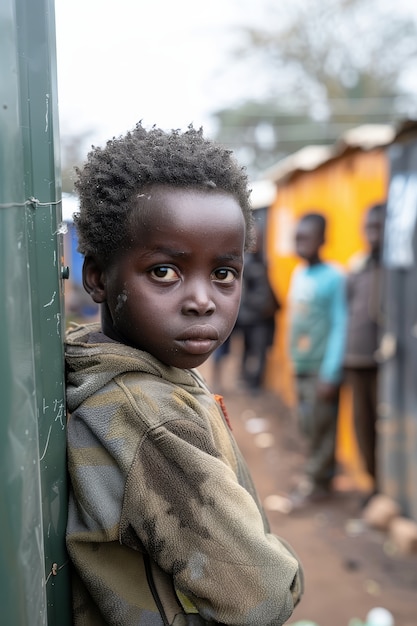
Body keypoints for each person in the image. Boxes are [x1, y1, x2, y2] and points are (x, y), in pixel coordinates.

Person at [65, 123, 304, 626]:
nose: (201, 300)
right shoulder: (147, 418)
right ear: (97, 277)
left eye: (223, 273)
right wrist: (288, 571)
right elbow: (264, 596)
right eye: (164, 272)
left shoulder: (139, 370)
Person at [287, 212, 347, 506]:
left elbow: (340, 324)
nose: (301, 243)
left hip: (321, 368)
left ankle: (318, 482)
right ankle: (318, 475)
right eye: (298, 237)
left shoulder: (335, 277)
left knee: (322, 424)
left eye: (307, 238)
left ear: (323, 239)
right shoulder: (299, 273)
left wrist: (331, 372)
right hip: (301, 365)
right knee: (308, 424)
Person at [344, 203, 386, 499]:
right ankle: (373, 484)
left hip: (384, 364)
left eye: (379, 229)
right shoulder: (357, 267)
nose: (372, 235)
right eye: (368, 229)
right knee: (363, 424)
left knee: (387, 428)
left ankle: (389, 486)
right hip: (356, 359)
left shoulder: (399, 272)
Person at [236, 225, 280, 391]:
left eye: (259, 238)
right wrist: (262, 305)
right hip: (252, 317)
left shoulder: (263, 261)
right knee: (250, 350)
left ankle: (255, 383)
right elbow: (244, 293)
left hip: (262, 318)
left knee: (259, 350)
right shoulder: (245, 263)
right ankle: (249, 382)